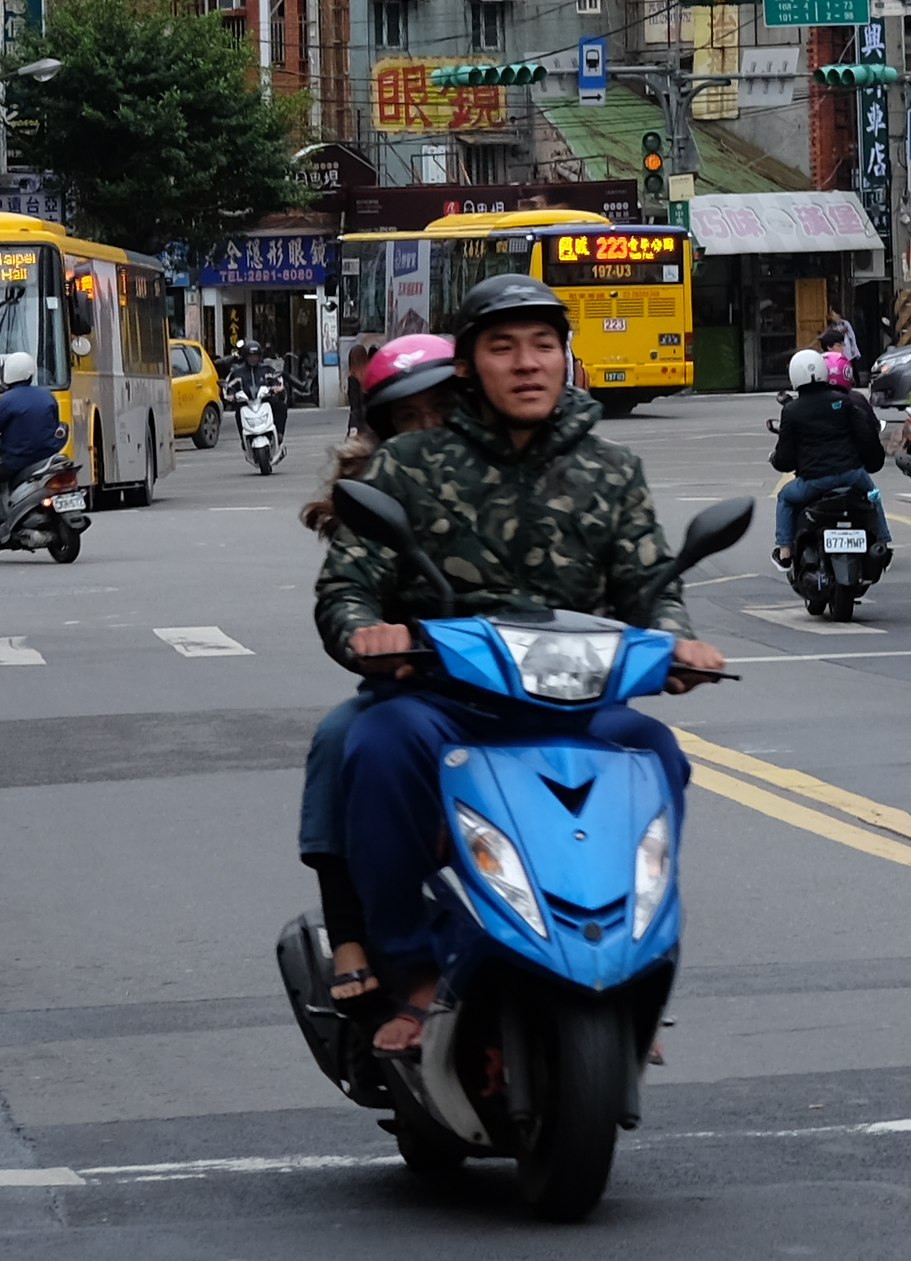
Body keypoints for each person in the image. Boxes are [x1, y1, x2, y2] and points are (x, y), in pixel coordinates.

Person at [317, 281, 726, 1055]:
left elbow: (650, 587)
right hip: (445, 701)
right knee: (375, 747)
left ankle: (636, 971)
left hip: (574, 705)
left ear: (566, 357)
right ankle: (411, 970)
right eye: (502, 348)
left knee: (656, 754)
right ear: (468, 366)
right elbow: (348, 582)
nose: (527, 364)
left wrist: (677, 641)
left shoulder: (613, 470)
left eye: (543, 345)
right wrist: (366, 628)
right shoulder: (409, 464)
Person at [297, 335, 469, 1010]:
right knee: (343, 741)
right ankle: (351, 938)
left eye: (443, 412)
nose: (427, 431)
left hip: (516, 687)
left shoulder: (509, 477)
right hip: (412, 687)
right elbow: (345, 594)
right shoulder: (374, 498)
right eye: (409, 418)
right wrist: (369, 633)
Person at [769, 346, 885, 553]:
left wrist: (776, 460)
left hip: (814, 480)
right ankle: (882, 541)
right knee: (873, 496)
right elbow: (865, 435)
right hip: (852, 474)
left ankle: (785, 548)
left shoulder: (791, 410)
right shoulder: (843, 401)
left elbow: (785, 456)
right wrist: (872, 460)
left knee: (785, 497)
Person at [0, 355, 66, 529]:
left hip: (17, 461)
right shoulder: (47, 396)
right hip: (48, 459)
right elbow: (54, 424)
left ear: (7, 373)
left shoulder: (5, 401)